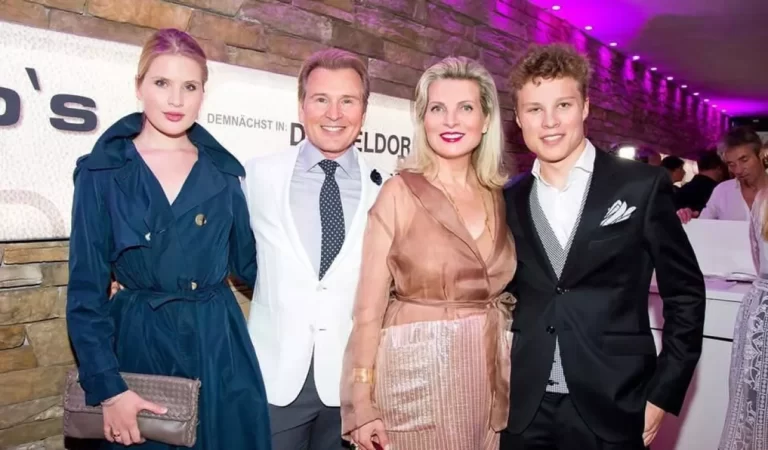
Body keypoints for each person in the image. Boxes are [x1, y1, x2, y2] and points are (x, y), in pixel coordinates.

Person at [66, 29, 271, 449]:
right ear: (139, 86)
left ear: (203, 94)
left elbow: (253, 266)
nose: (176, 100)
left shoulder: (224, 173)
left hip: (218, 349)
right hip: (138, 346)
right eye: (162, 83)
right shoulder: (101, 172)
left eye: (190, 86)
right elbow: (85, 293)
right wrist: (110, 389)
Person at [502, 43, 705, 450]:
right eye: (535, 109)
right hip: (523, 408)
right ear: (520, 118)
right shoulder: (508, 198)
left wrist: (663, 392)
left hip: (614, 404)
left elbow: (685, 293)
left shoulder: (640, 186)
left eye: (563, 105)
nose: (549, 122)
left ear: (585, 107)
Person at [340, 56, 517, 450]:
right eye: (437, 108)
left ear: (486, 120)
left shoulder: (498, 196)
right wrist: (362, 402)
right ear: (423, 119)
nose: (450, 120)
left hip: (485, 376)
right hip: (415, 378)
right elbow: (368, 310)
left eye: (465, 108)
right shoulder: (398, 193)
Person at [241, 49, 386, 450]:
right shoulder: (257, 176)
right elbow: (234, 256)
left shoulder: (387, 188)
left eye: (348, 101)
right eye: (321, 99)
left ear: (364, 111)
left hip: (352, 386)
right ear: (301, 106)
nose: (334, 113)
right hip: (274, 380)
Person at [719, 186, 768, 449]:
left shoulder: (762, 198)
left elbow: (757, 257)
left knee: (752, 403)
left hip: (759, 306)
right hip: (760, 309)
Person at [678, 127, 767, 223]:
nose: (738, 170)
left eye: (744, 160)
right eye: (731, 164)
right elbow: (703, 224)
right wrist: (690, 220)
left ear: (761, 154)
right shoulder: (722, 191)